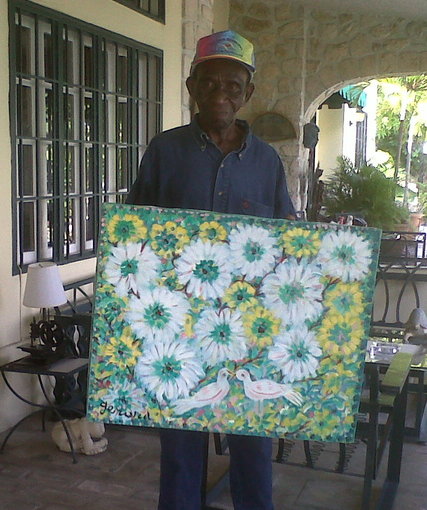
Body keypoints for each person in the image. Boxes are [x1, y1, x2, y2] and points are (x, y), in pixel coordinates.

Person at [127, 29, 296, 510]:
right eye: (209, 83)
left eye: (232, 86)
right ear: (191, 87)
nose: (220, 94)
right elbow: (134, 232)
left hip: (247, 329)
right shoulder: (165, 150)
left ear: (248, 94)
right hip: (177, 326)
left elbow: (286, 240)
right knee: (181, 439)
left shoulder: (266, 161)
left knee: (252, 440)